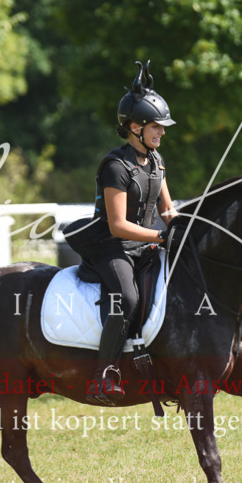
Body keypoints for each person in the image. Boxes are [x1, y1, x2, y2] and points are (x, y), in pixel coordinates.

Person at [66, 60, 180, 405]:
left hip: (143, 245)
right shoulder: (116, 166)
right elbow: (118, 225)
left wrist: (185, 228)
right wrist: (160, 238)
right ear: (135, 127)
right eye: (157, 127)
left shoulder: (156, 162)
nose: (162, 133)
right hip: (110, 246)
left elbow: (167, 211)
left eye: (163, 127)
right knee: (127, 299)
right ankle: (105, 374)